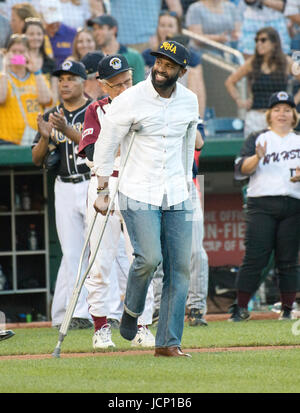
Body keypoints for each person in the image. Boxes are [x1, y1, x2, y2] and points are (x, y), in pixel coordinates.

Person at [92, 40, 199, 357]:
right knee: (149, 258)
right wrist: (101, 190)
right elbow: (106, 142)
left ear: (181, 70)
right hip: (137, 189)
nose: (161, 69)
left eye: (169, 65)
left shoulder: (190, 101)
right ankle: (132, 310)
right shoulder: (132, 98)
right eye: (159, 62)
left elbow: (189, 142)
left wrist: (189, 183)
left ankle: (168, 343)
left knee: (180, 269)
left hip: (177, 190)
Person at [78, 53, 155, 348]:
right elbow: (93, 151)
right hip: (104, 184)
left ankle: (142, 326)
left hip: (137, 184)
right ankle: (100, 326)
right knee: (101, 258)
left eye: (127, 81)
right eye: (115, 84)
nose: (123, 88)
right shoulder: (96, 110)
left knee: (143, 258)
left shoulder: (146, 107)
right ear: (103, 85)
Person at [32, 60, 93, 329]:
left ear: (83, 82)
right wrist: (45, 138)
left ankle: (91, 312)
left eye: (71, 78)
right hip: (64, 186)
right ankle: (73, 314)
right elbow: (36, 159)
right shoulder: (50, 114)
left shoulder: (95, 109)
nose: (64, 83)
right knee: (71, 253)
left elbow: (97, 146)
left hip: (92, 183)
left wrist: (67, 130)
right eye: (61, 79)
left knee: (99, 251)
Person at [230, 91, 300, 322]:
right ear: (270, 114)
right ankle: (240, 308)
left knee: (288, 259)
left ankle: (288, 309)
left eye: (287, 109)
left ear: (294, 115)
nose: (282, 114)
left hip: (293, 203)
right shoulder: (257, 138)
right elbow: (241, 170)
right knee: (255, 257)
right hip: (261, 204)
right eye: (278, 109)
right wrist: (257, 157)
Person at [225, 26, 300, 138]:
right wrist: (239, 101)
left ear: (274, 43)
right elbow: (230, 81)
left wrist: (293, 101)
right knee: (252, 152)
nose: (259, 43)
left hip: (278, 117)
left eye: (263, 40)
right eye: (257, 40)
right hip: (255, 116)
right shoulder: (252, 62)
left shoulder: (286, 62)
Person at [142, 10, 206, 118]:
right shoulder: (147, 55)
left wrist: (200, 121)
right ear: (157, 29)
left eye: (170, 26)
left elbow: (200, 90)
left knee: (194, 74)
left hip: (182, 100)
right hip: (154, 101)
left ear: (178, 29)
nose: (166, 29)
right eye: (162, 25)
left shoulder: (192, 57)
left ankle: (196, 119)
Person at [0, 34, 52, 146]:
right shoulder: (2, 77)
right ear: (7, 53)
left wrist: (36, 71)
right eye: (14, 51)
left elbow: (46, 99)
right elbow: (1, 98)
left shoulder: (37, 77)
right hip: (7, 141)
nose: (18, 54)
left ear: (29, 53)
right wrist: (4, 68)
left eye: (22, 51)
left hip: (34, 140)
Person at [87, 14, 145, 85]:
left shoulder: (134, 56)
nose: (96, 33)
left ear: (113, 30)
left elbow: (139, 87)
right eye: (94, 29)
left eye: (100, 28)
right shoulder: (93, 58)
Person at [22, 18, 58, 104]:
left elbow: (55, 95)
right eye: (31, 34)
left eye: (39, 34)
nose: (35, 37)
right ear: (24, 36)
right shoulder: (19, 61)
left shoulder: (50, 63)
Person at [39, 0, 77, 68]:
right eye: (50, 21)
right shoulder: (37, 35)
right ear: (42, 18)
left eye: (56, 21)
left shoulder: (72, 33)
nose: (54, 25)